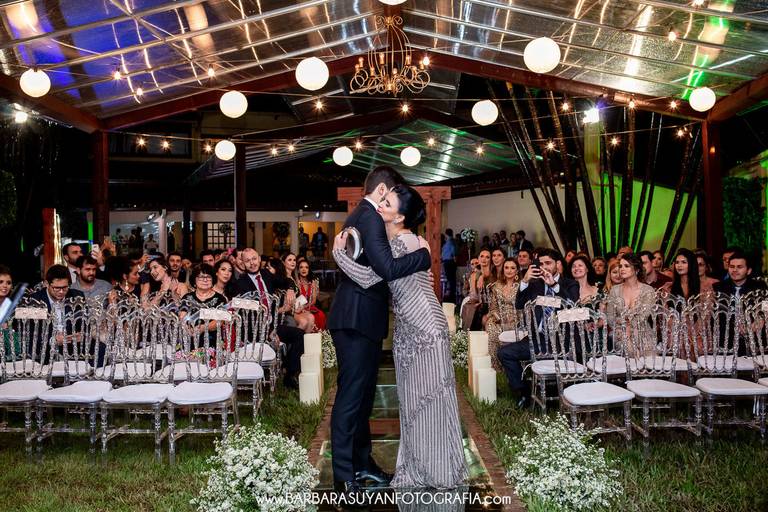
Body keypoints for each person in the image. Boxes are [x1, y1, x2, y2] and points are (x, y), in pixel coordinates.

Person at [332, 182, 466, 490]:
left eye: (388, 203)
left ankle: (438, 470)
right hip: (408, 329)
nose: (380, 205)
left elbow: (370, 277)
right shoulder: (396, 242)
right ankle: (424, 466)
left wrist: (339, 255)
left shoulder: (403, 242)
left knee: (429, 401)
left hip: (426, 327)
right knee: (415, 404)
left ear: (400, 217)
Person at [326, 167, 433, 496]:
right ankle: (344, 477)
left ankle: (362, 463)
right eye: (393, 192)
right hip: (356, 318)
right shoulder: (370, 217)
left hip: (361, 319)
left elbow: (369, 270)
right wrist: (423, 257)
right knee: (351, 399)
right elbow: (385, 269)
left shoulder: (362, 215)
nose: (392, 198)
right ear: (384, 189)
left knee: (362, 399)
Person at [497, 248, 579, 408]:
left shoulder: (570, 284)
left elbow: (572, 306)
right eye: (541, 264)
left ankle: (553, 391)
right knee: (504, 353)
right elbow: (519, 304)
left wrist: (554, 285)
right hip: (538, 339)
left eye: (548, 263)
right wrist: (525, 281)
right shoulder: (535, 284)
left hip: (562, 341)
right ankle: (524, 392)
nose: (545, 267)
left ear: (557, 264)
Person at [236, 248, 305, 389]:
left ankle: (290, 374)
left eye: (254, 259)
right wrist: (268, 332)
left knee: (300, 335)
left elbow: (286, 281)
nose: (252, 263)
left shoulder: (266, 274)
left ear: (259, 259)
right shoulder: (240, 283)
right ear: (242, 263)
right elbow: (247, 317)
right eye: (247, 261)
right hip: (254, 331)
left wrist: (290, 289)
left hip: (273, 325)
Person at [485, 258, 520, 371]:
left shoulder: (520, 287)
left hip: (516, 320)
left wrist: (514, 318)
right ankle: (495, 367)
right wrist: (498, 318)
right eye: (506, 267)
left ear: (517, 271)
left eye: (512, 268)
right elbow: (493, 307)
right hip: (499, 319)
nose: (509, 270)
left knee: (509, 329)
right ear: (503, 270)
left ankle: (508, 367)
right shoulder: (496, 286)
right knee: (491, 326)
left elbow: (523, 308)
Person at [282, 252, 315, 333]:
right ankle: (296, 340)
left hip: (295, 308)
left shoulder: (293, 277)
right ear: (283, 262)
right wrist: (295, 309)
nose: (293, 262)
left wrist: (301, 307)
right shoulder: (283, 277)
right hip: (287, 311)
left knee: (311, 317)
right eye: (289, 260)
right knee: (304, 322)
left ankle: (305, 341)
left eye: (294, 260)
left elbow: (297, 298)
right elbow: (284, 301)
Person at [462, 249, 493, 330]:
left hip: (492, 305)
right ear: (478, 258)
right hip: (478, 304)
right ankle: (468, 334)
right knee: (470, 308)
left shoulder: (494, 274)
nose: (484, 259)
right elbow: (473, 295)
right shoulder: (474, 275)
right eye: (482, 256)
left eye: (487, 257)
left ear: (490, 259)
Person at [296, 259, 326, 330]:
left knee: (321, 315)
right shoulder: (296, 282)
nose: (304, 269)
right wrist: (302, 308)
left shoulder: (312, 283)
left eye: (306, 267)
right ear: (298, 270)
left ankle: (318, 336)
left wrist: (306, 307)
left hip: (310, 306)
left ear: (309, 270)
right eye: (301, 267)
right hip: (298, 308)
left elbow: (314, 301)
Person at [441, 228, 457, 303]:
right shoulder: (449, 241)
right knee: (450, 278)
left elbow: (453, 251)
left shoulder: (450, 242)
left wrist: (454, 258)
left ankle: (451, 294)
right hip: (448, 261)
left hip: (449, 262)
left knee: (450, 279)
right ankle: (450, 293)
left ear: (446, 234)